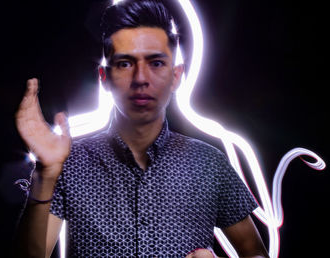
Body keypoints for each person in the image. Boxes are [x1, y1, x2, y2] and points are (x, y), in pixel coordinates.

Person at [14, 0, 269, 257]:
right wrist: (45, 175)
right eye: (125, 63)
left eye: (156, 63)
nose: (140, 79)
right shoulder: (71, 163)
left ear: (176, 76)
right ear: (104, 78)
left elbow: (255, 252)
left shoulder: (208, 164)